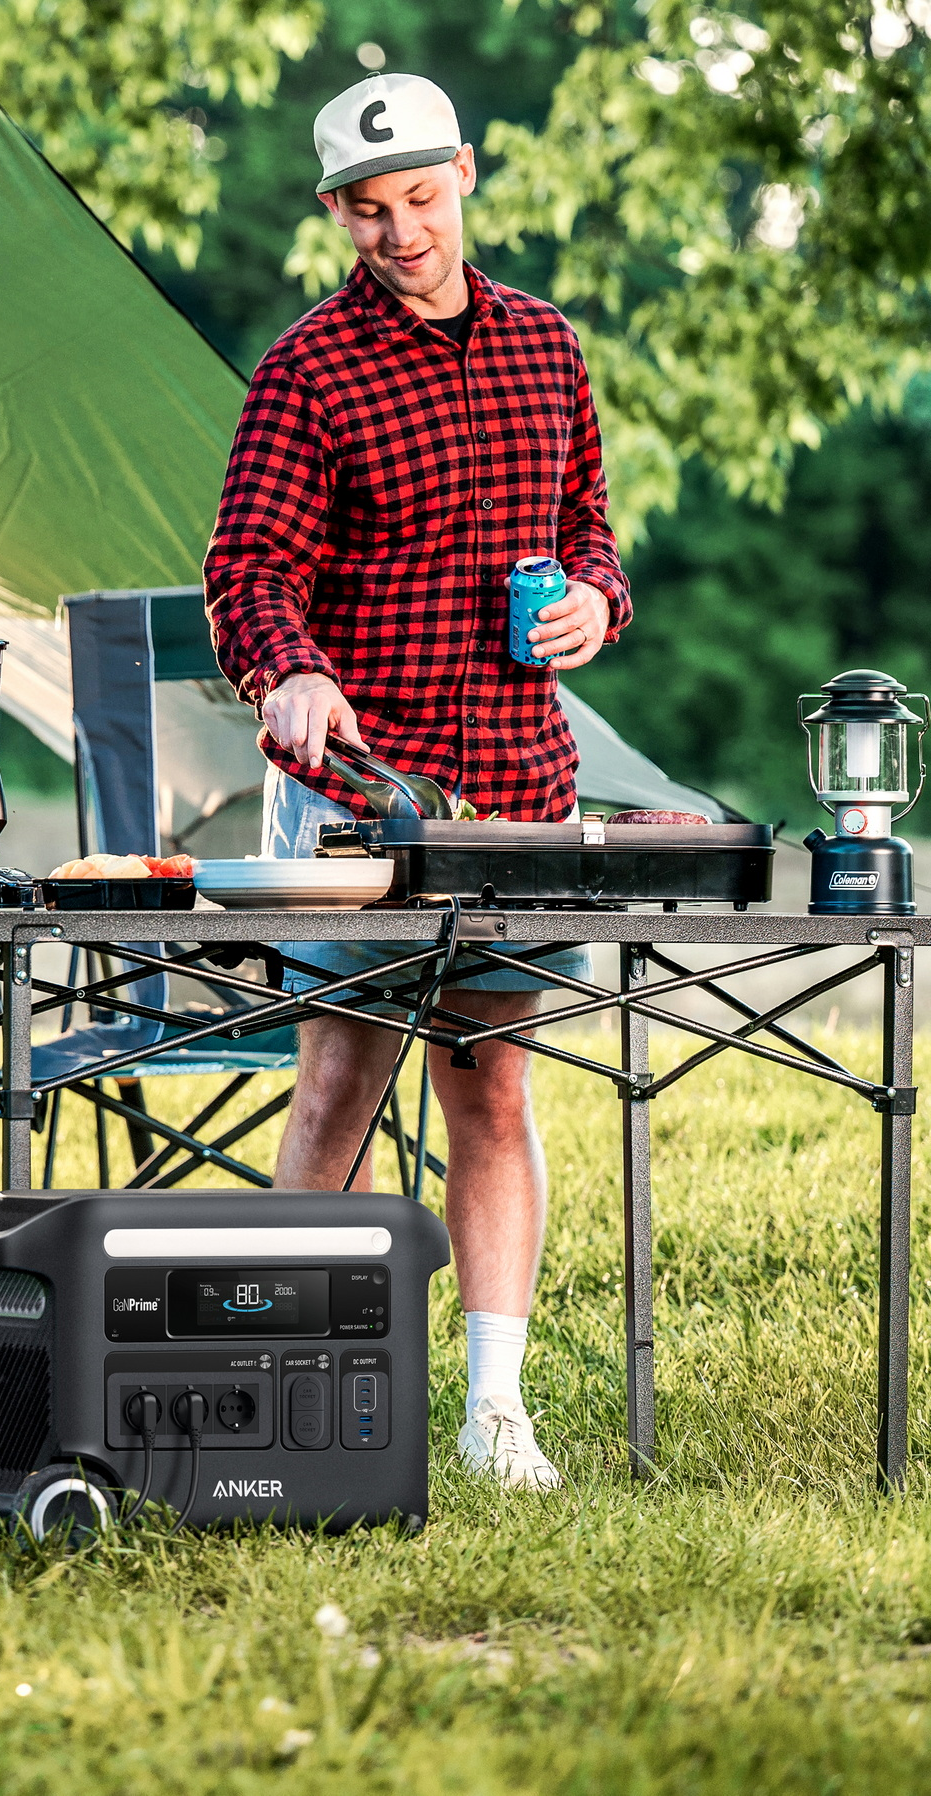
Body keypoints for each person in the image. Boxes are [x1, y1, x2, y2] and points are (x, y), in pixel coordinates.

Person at [204, 73, 632, 1490]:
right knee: (338, 1082)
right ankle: (270, 1394)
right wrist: (291, 674)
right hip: (365, 791)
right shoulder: (308, 369)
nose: (403, 233)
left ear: (465, 177)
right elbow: (247, 572)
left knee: (492, 1091)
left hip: (519, 783)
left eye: (423, 200)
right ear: (338, 212)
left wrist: (592, 602)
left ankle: (495, 1415)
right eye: (372, 211)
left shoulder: (546, 349)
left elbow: (593, 536)